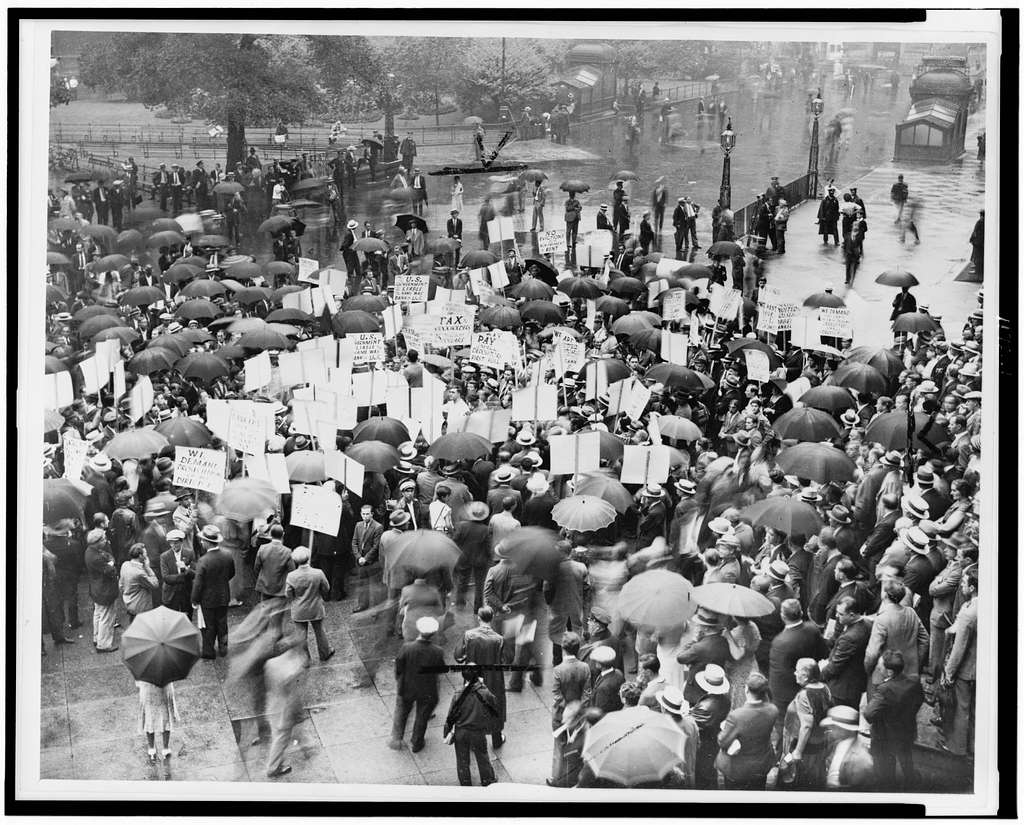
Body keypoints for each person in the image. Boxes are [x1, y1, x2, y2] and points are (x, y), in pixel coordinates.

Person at [863, 650, 924, 790]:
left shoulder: (884, 689)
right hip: (906, 730)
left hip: (885, 736)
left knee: (885, 769)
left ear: (889, 672)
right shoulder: (914, 681)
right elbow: (920, 699)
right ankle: (911, 783)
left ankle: (889, 789)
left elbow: (869, 714)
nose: (878, 668)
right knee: (906, 760)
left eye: (880, 666)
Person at [864, 580, 929, 698]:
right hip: (909, 671)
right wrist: (915, 663)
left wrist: (869, 670)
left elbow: (872, 653)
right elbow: (925, 640)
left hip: (884, 673)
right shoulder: (911, 612)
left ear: (885, 595)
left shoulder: (882, 619)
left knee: (878, 707)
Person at [454, 606, 507, 749]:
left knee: (473, 706)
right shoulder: (499, 639)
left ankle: (473, 742)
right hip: (493, 679)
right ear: (492, 617)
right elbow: (506, 659)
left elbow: (458, 656)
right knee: (494, 707)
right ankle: (497, 739)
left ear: (478, 618)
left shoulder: (469, 635)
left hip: (474, 677)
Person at [390, 615, 445, 752]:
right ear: (433, 633)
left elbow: (399, 666)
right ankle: (417, 742)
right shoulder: (437, 651)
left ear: (419, 630)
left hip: (407, 686)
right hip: (427, 689)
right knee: (422, 716)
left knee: (402, 712)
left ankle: (397, 739)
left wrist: (399, 679)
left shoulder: (407, 648)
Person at [715, 672, 779, 790]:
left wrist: (724, 729)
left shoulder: (736, 716)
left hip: (737, 769)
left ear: (747, 690)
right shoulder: (773, 710)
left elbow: (723, 742)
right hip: (761, 766)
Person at [777, 658, 832, 790]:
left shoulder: (804, 695)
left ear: (806, 676)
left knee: (798, 783)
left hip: (805, 749)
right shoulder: (825, 688)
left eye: (797, 671)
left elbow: (806, 726)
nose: (795, 673)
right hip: (819, 745)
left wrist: (797, 752)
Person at [443, 663, 500, 786]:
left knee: (462, 760)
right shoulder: (485, 693)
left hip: (461, 732)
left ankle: (465, 783)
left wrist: (447, 732)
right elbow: (494, 705)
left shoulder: (458, 694)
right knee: (483, 757)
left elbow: (450, 716)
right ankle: (487, 780)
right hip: (477, 732)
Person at [940, 570, 977, 756]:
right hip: (977, 669)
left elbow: (958, 650)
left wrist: (949, 672)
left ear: (972, 588)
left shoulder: (969, 613)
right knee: (973, 709)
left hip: (966, 670)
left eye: (964, 583)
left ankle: (957, 748)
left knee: (961, 709)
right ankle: (972, 746)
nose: (961, 586)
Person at [190, 524, 234, 659]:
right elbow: (232, 573)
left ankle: (208, 652)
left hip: (207, 599)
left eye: (203, 540)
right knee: (222, 623)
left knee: (208, 626)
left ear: (208, 543)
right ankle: (223, 648)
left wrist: (194, 600)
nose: (202, 542)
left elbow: (198, 584)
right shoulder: (227, 555)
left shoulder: (203, 561)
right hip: (224, 596)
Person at [284, 546, 335, 663]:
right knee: (320, 631)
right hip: (315, 607)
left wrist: (294, 600)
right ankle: (325, 653)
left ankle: (305, 659)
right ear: (308, 557)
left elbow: (288, 594)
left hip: (299, 610)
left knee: (301, 635)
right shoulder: (318, 573)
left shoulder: (291, 576)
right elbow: (326, 588)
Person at [264, 641, 307, 778]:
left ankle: (304, 746)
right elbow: (293, 695)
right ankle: (273, 767)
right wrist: (297, 713)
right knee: (282, 737)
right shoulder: (293, 671)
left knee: (276, 733)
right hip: (284, 709)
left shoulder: (270, 663)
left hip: (272, 703)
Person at [820, 596, 871, 709]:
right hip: (857, 682)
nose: (837, 616)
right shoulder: (867, 624)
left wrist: (818, 674)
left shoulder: (849, 638)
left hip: (842, 691)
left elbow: (834, 668)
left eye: (841, 614)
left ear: (852, 615)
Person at [688, 664, 732, 789]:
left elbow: (692, 721)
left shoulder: (705, 706)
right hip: (714, 738)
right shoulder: (725, 699)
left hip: (704, 743)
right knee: (710, 771)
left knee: (703, 774)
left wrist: (690, 712)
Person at [83, 526, 118, 652]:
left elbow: (109, 557)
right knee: (106, 617)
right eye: (103, 539)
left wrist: (110, 561)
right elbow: (110, 570)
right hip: (105, 590)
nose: (105, 541)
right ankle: (103, 645)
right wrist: (112, 564)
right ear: (97, 542)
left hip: (97, 589)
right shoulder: (97, 557)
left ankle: (97, 637)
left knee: (98, 614)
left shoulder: (90, 551)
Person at [136, 680, 180, 763]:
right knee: (165, 717)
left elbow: (138, 683)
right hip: (165, 690)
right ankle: (165, 748)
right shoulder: (167, 666)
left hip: (147, 691)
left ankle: (151, 748)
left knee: (149, 718)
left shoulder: (142, 668)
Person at [351, 504, 383, 613]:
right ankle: (362, 604)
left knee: (374, 585)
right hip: (360, 561)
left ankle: (377, 608)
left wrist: (366, 558)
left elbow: (376, 546)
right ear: (360, 514)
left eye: (367, 514)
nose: (365, 516)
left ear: (372, 514)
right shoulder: (358, 525)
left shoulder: (378, 527)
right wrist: (359, 557)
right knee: (362, 583)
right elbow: (354, 542)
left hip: (372, 561)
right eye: (363, 514)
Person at [159, 528, 196, 619]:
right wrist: (184, 576)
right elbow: (166, 578)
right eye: (171, 543)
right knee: (172, 620)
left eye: (175, 543)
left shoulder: (189, 553)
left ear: (181, 542)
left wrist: (186, 569)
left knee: (187, 620)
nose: (173, 545)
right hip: (171, 594)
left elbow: (195, 573)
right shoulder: (164, 556)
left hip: (186, 593)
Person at [119, 543, 158, 624]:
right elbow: (155, 584)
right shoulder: (139, 573)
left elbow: (121, 585)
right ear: (140, 556)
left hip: (129, 603)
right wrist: (148, 568)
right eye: (145, 553)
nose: (147, 556)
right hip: (141, 608)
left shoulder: (125, 565)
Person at [590, 645, 626, 714]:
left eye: (596, 661)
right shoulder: (619, 673)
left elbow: (600, 711)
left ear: (599, 664)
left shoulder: (603, 688)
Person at [564, 192, 582, 257]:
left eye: (573, 194)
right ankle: (568, 243)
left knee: (575, 231)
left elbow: (580, 208)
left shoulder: (577, 201)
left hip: (576, 218)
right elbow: (567, 208)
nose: (572, 195)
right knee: (568, 231)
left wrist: (577, 208)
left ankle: (574, 242)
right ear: (569, 195)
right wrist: (574, 207)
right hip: (569, 219)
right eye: (571, 194)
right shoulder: (567, 202)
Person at [969, 209, 984, 279]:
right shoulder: (983, 222)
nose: (980, 216)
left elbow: (975, 232)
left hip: (978, 243)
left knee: (978, 256)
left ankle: (977, 271)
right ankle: (977, 268)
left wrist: (972, 240)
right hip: (980, 243)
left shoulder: (980, 222)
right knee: (978, 256)